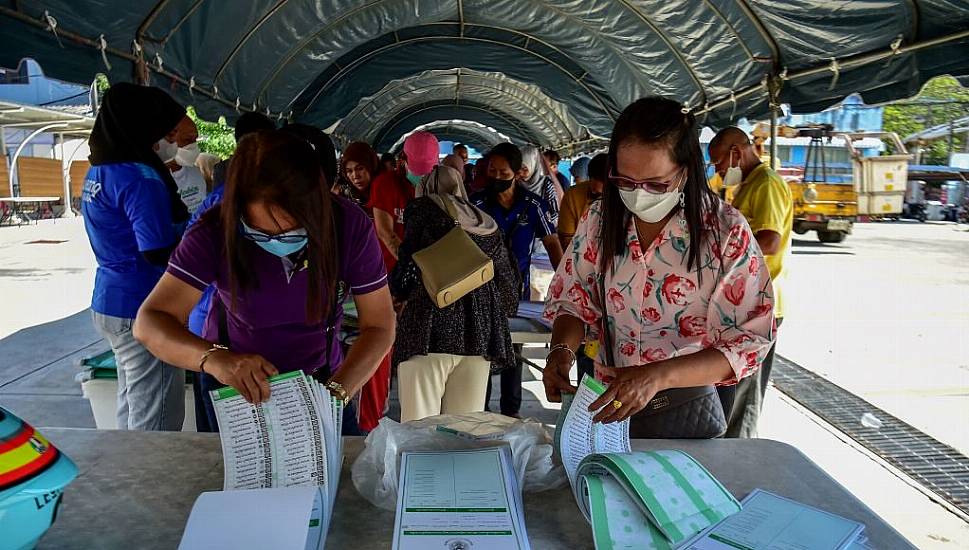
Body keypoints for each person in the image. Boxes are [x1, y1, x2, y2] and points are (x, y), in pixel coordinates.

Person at [133, 130, 395, 436]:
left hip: (323, 381)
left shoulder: (347, 225)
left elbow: (380, 326)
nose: (281, 241)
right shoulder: (215, 230)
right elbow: (150, 322)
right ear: (237, 208)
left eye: (295, 230)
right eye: (263, 234)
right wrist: (215, 360)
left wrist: (334, 395)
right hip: (236, 388)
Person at [542, 97, 775, 437]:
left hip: (684, 408)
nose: (638, 195)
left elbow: (749, 339)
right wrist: (561, 351)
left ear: (685, 170)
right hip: (607, 405)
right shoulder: (600, 219)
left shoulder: (725, 232)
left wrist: (658, 376)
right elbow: (574, 299)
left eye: (655, 184)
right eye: (625, 182)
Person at [81, 82, 195, 431]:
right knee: (157, 418)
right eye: (165, 131)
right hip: (142, 305)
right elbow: (158, 250)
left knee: (132, 400)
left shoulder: (99, 168)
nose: (169, 140)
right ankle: (154, 482)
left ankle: (123, 471)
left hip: (110, 298)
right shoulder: (139, 177)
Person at [390, 165, 521, 422]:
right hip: (479, 339)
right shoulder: (487, 223)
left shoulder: (423, 208)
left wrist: (399, 291)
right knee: (463, 433)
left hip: (428, 334)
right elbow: (508, 292)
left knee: (419, 432)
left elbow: (406, 271)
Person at [709, 126, 793, 438]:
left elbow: (770, 240)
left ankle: (737, 456)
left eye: (719, 162)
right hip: (740, 304)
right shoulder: (748, 185)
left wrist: (721, 248)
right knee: (732, 388)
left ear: (736, 153)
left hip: (760, 305)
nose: (718, 170)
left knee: (745, 395)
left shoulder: (767, 184)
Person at [471, 142, 564, 418]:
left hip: (517, 292)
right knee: (482, 352)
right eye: (492, 171)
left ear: (519, 173)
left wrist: (565, 283)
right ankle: (481, 411)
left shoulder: (534, 206)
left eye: (503, 172)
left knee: (512, 351)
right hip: (480, 290)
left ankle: (511, 413)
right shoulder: (476, 204)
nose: (497, 178)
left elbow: (553, 245)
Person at [369, 132, 437, 270]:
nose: (422, 176)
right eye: (417, 169)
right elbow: (385, 232)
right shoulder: (384, 184)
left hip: (428, 267)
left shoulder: (437, 185)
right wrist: (413, 267)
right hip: (392, 270)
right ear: (403, 160)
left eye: (426, 171)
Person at [558, 153, 607, 251]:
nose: (592, 191)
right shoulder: (573, 196)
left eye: (598, 194)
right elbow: (566, 241)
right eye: (590, 180)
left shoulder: (625, 201)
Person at [519, 145, 561, 225]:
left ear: (534, 166)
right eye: (518, 168)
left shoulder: (546, 185)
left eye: (525, 169)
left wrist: (542, 220)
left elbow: (555, 214)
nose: (521, 173)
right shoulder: (517, 183)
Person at [337, 141, 381, 210]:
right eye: (349, 171)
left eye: (360, 168)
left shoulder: (387, 194)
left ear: (372, 167)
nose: (355, 176)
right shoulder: (345, 198)